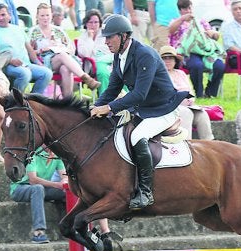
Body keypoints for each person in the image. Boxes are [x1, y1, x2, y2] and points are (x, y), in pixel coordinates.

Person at [90, 15, 189, 210]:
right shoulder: (119, 56)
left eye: (110, 37)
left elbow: (139, 94)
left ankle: (146, 192)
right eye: (106, 38)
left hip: (164, 108)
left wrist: (109, 108)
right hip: (144, 109)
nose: (106, 41)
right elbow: (111, 90)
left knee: (137, 136)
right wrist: (92, 109)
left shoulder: (144, 54)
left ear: (124, 36)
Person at [29, 3, 100, 98]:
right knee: (62, 56)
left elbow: (71, 49)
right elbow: (29, 53)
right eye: (42, 15)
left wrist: (61, 47)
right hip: (43, 63)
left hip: (63, 60)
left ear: (51, 16)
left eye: (47, 15)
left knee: (65, 69)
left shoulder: (59, 31)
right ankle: (86, 78)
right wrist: (43, 49)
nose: (45, 18)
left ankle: (67, 103)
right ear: (37, 16)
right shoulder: (33, 32)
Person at [0, 3, 53, 95]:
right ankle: (14, 100)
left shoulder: (18, 29)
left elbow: (29, 49)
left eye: (3, 15)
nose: (0, 18)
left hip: (26, 64)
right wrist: (10, 61)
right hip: (6, 65)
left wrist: (38, 62)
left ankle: (34, 100)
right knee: (25, 74)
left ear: (9, 15)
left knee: (47, 73)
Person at [10, 145, 68, 244]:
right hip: (20, 188)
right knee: (38, 188)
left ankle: (69, 228)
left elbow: (64, 176)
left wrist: (64, 182)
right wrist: (56, 184)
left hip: (43, 189)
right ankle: (38, 232)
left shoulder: (56, 156)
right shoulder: (33, 155)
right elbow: (33, 180)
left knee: (68, 191)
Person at [168, 0, 224, 98]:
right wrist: (182, 19)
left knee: (219, 65)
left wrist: (213, 34)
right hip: (186, 53)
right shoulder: (176, 21)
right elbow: (171, 30)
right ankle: (199, 93)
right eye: (185, 9)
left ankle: (210, 92)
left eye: (190, 8)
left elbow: (213, 34)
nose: (188, 11)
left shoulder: (200, 22)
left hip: (204, 52)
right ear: (180, 10)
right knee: (196, 65)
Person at [160, 45, 214, 140]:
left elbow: (191, 91)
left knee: (202, 114)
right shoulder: (159, 75)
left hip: (188, 105)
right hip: (170, 108)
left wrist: (191, 99)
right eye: (164, 58)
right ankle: (187, 144)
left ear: (175, 60)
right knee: (187, 113)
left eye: (170, 58)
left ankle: (209, 144)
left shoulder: (181, 73)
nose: (168, 61)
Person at [77, 9, 113, 94]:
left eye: (96, 22)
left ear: (100, 23)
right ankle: (104, 98)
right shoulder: (83, 37)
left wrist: (94, 50)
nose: (93, 25)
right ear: (86, 23)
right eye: (90, 22)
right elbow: (84, 54)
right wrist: (90, 38)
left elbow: (109, 50)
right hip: (92, 66)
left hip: (108, 61)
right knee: (102, 73)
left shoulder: (105, 34)